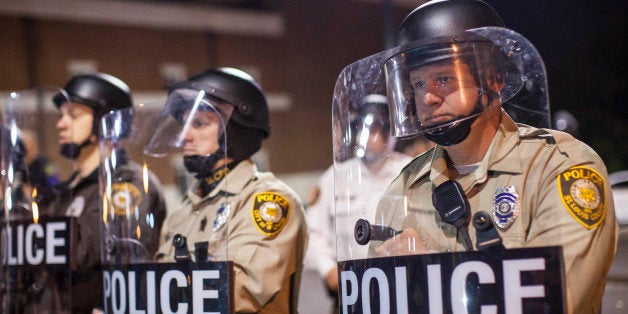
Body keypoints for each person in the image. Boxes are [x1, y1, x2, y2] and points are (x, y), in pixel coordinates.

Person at [365, 0, 617, 312]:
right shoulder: (403, 189)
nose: (428, 97)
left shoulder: (559, 168)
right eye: (418, 83)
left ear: (493, 78)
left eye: (443, 78)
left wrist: (426, 277)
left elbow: (556, 300)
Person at [153, 67, 308, 313]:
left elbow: (235, 295)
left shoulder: (269, 202)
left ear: (235, 131)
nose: (184, 136)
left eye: (200, 124)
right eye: (184, 124)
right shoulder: (184, 210)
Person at [43, 73, 167, 312]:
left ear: (105, 121)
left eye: (74, 115)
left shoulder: (127, 184)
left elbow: (116, 255)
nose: (61, 123)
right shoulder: (68, 190)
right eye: (62, 115)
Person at [305, 94, 411, 312]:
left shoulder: (410, 171)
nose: (366, 137)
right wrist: (327, 269)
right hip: (351, 286)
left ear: (389, 133)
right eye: (361, 130)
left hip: (402, 285)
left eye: (373, 130)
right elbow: (313, 231)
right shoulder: (336, 177)